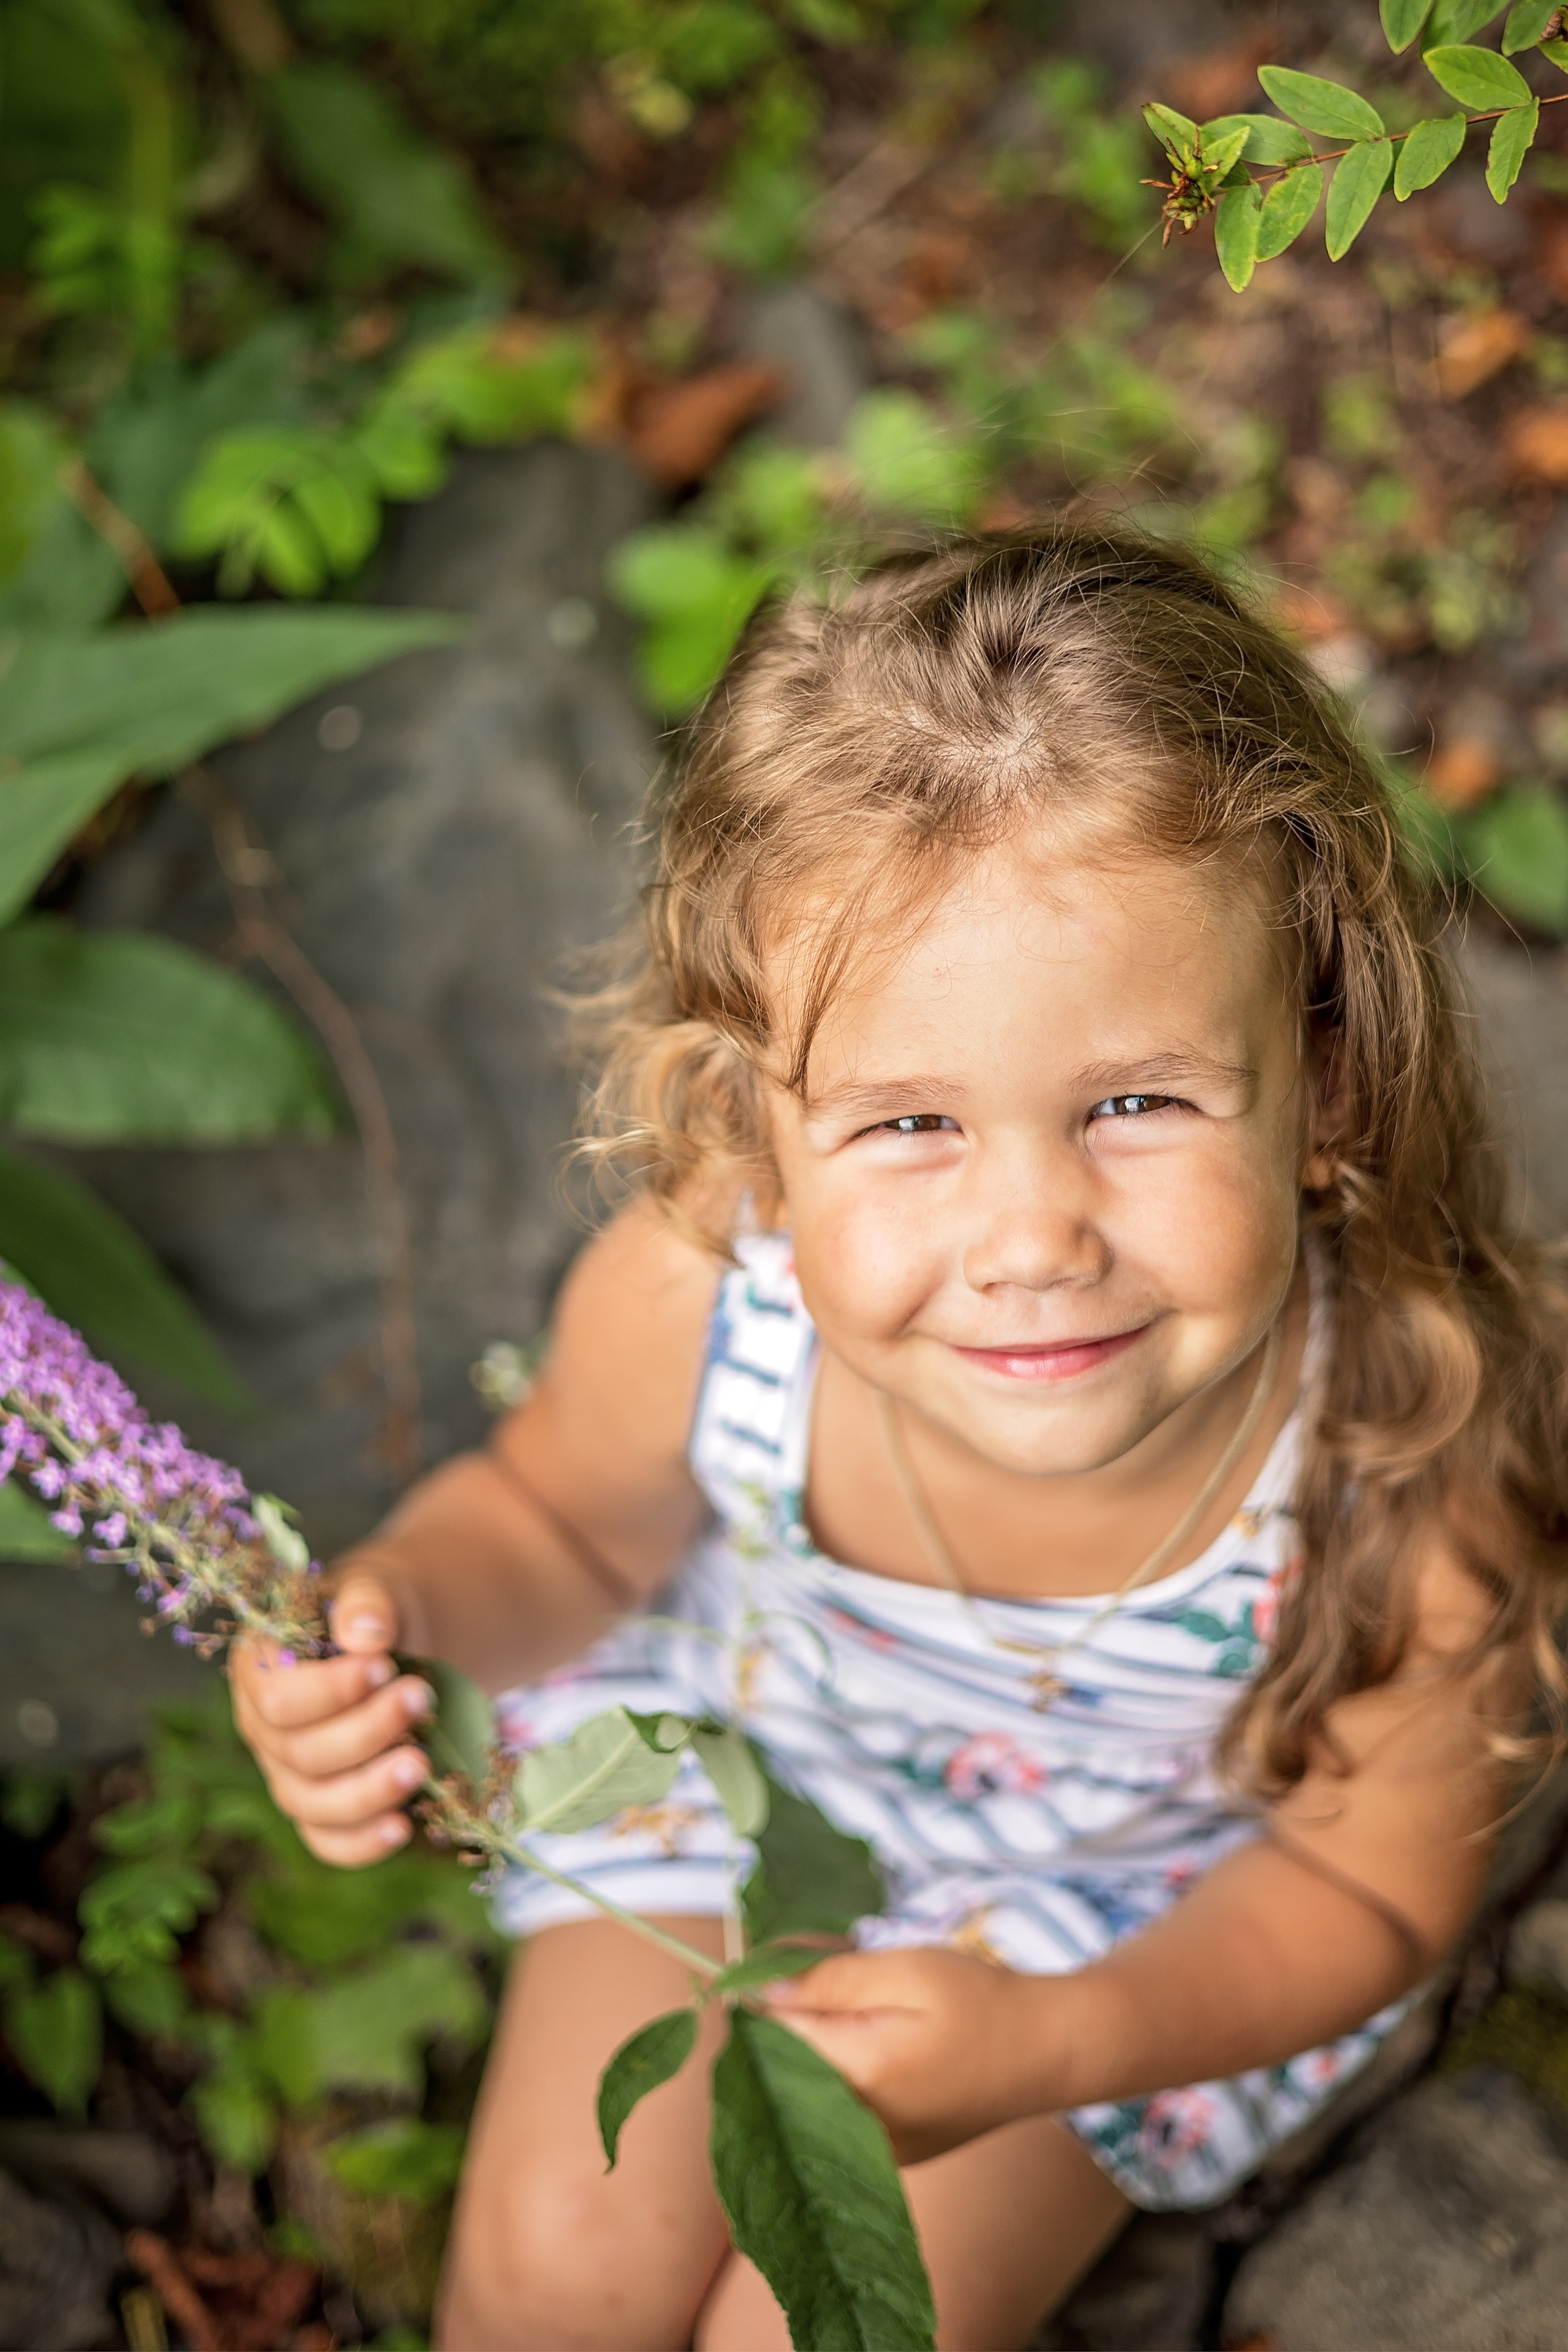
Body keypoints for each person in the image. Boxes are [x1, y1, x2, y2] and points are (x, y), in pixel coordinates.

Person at [232, 527, 1568, 2351]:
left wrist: (1060, 2040)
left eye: (1136, 1101)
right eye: (911, 1125)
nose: (1033, 1240)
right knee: (555, 2271)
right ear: (761, 1132)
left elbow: (1362, 1887)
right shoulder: (707, 1299)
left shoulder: (1400, 1469)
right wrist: (389, 1626)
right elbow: (554, 1521)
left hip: (1105, 1938)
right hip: (726, 1788)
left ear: (1327, 1083)